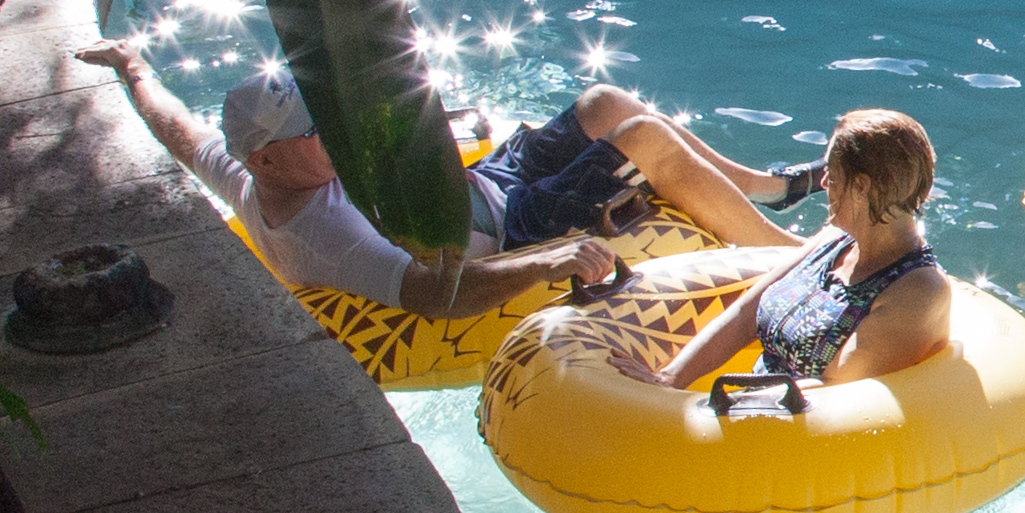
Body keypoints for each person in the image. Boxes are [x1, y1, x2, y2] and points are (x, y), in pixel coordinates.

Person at [76, 42, 806, 320]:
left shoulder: (249, 169)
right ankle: (792, 255)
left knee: (603, 101)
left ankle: (766, 191)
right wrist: (548, 260)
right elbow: (432, 298)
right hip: (506, 225)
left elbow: (179, 132)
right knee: (639, 138)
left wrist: (134, 67)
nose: (333, 132)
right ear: (267, 156)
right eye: (313, 129)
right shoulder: (325, 234)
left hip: (484, 179)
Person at [645, 108, 958, 390]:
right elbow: (745, 315)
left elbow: (834, 392)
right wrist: (670, 379)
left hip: (799, 438)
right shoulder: (833, 241)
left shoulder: (918, 291)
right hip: (749, 412)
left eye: (832, 175)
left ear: (861, 186)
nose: (823, 183)